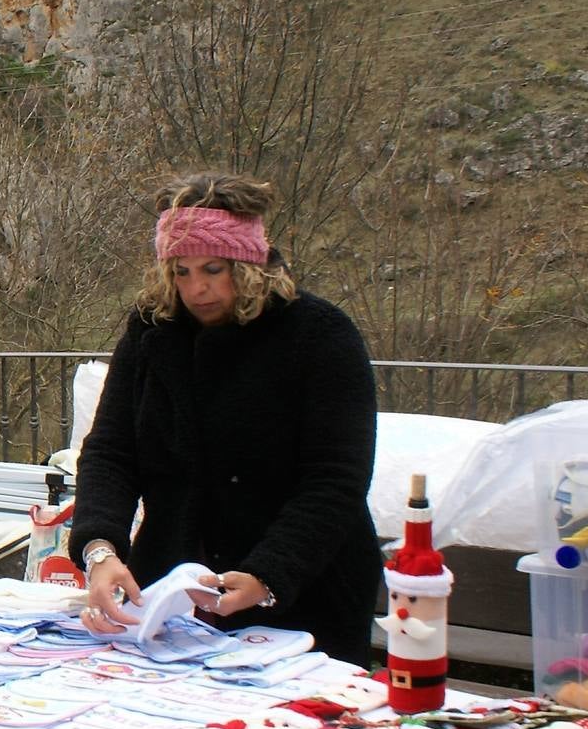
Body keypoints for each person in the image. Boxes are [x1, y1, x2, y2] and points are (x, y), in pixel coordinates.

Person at [70, 172, 380, 667]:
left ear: (249, 263)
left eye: (214, 269)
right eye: (181, 271)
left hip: (306, 591)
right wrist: (100, 548)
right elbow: (111, 451)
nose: (197, 288)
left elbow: (335, 480)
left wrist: (268, 574)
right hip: (173, 587)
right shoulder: (152, 330)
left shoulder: (321, 335)